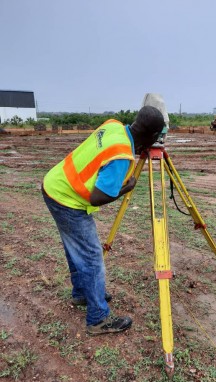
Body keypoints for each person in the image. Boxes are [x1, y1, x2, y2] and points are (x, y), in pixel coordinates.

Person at [42, 106, 165, 335]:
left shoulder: (113, 125)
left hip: (55, 184)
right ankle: (98, 318)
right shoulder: (121, 157)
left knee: (75, 249)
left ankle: (82, 293)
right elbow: (98, 197)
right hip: (67, 199)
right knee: (91, 256)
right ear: (153, 136)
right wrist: (124, 187)